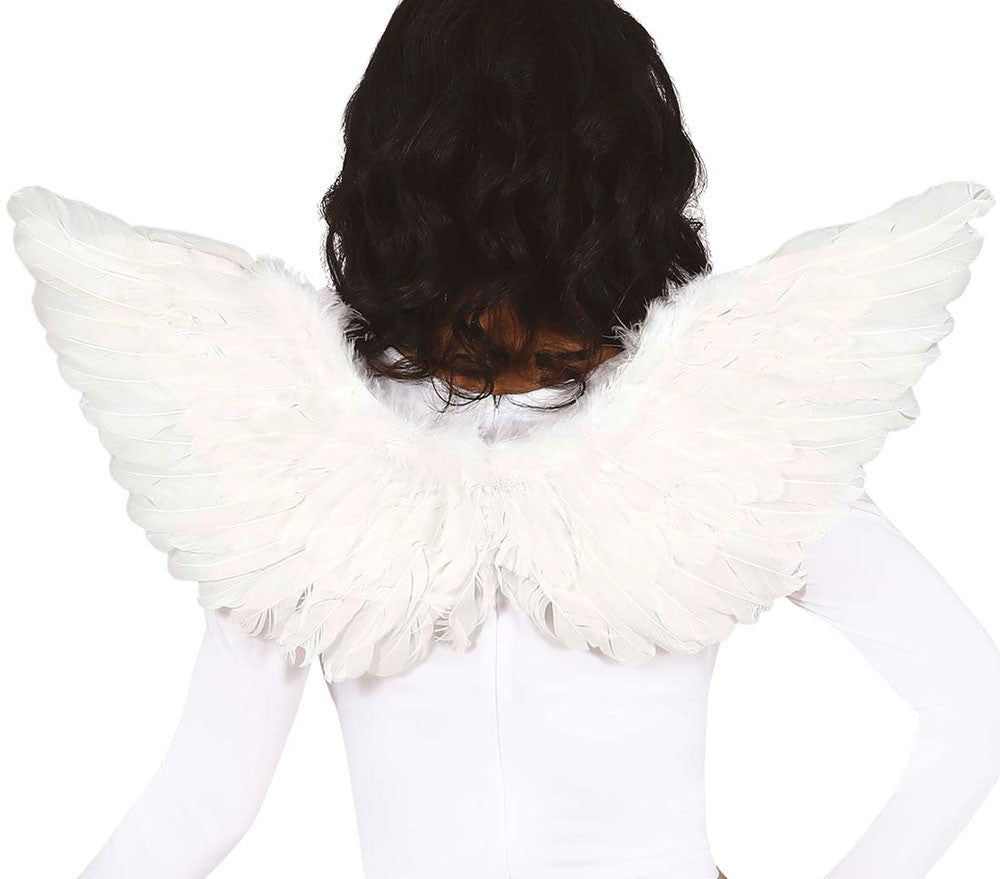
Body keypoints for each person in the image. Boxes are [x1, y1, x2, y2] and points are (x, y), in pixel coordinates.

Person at [8, 1, 1000, 878]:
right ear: (632, 181)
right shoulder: (728, 424)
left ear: (391, 174)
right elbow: (973, 711)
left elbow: (203, 804)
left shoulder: (298, 448)